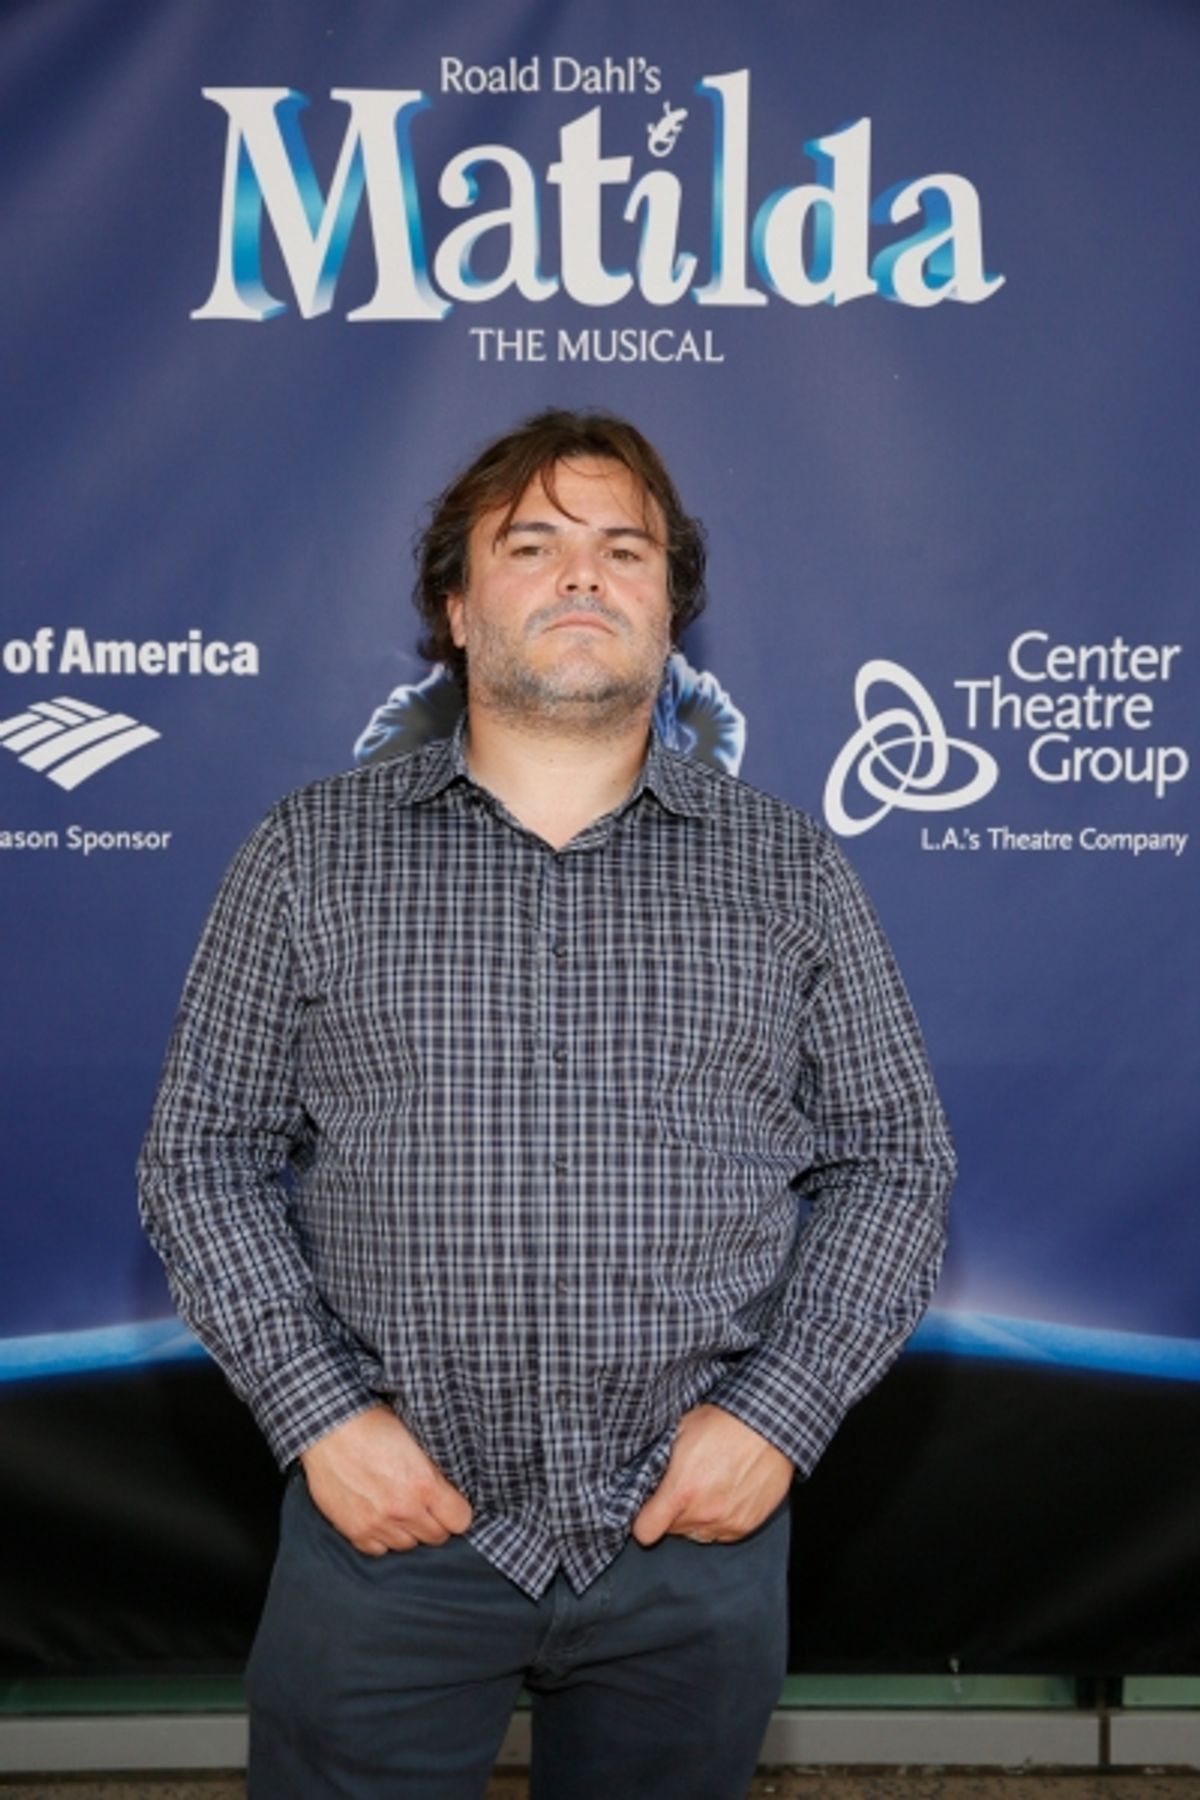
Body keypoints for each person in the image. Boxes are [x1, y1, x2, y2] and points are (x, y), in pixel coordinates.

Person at [139, 408, 954, 1800]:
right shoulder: (303, 857)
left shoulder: (790, 870)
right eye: (534, 544)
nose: (585, 574)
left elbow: (894, 1161)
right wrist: (323, 1420)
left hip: (692, 1548)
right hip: (386, 1537)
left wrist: (780, 1416)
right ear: (458, 610)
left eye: (623, 549)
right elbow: (199, 1161)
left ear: (666, 613)